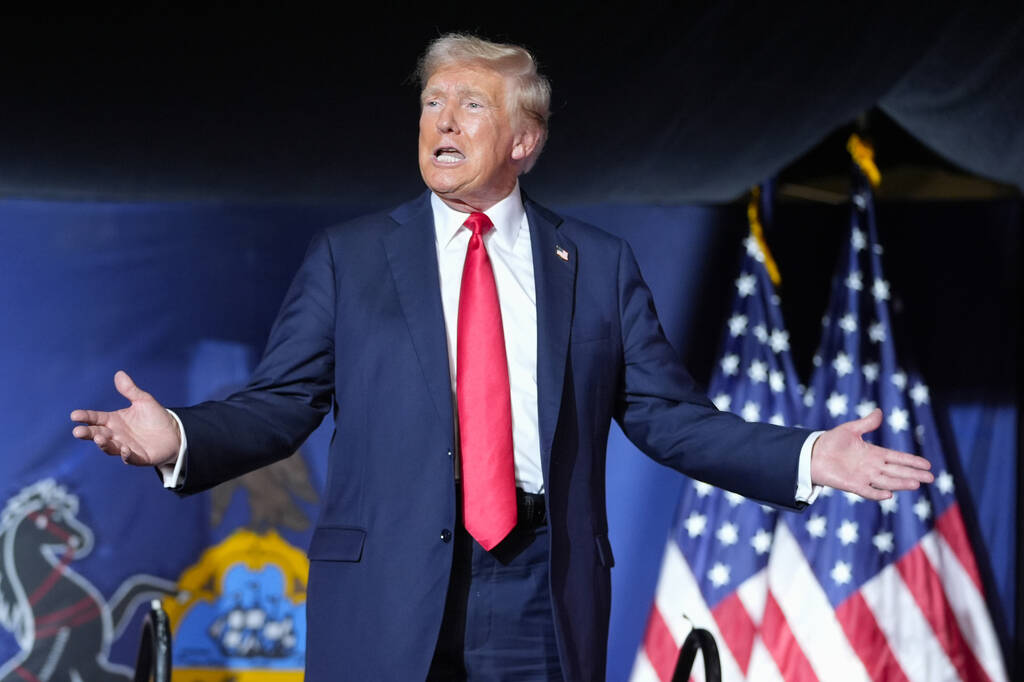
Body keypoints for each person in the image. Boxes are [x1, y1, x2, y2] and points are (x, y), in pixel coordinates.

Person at [71, 34, 933, 681]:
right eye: (430, 103)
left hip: (537, 585)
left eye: (470, 105)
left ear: (524, 141)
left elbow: (669, 419)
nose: (441, 120)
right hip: (389, 587)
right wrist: (178, 437)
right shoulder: (352, 257)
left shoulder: (596, 265)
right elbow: (280, 403)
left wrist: (808, 454)